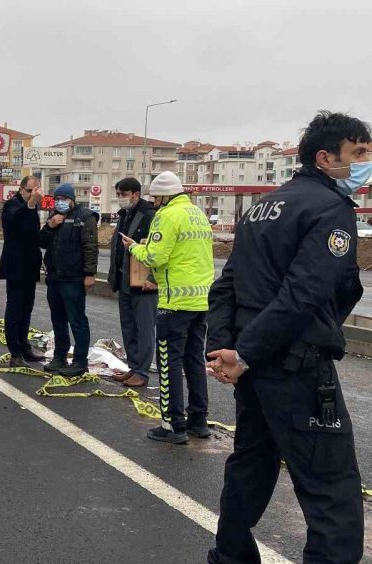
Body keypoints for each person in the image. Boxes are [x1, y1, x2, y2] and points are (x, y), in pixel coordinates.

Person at [204, 112, 369, 564]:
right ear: (325, 158)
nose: (365, 163)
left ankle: (229, 556)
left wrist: (225, 352)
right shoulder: (331, 209)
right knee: (332, 489)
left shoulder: (263, 207)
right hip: (296, 369)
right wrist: (242, 355)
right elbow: (303, 295)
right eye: (358, 153)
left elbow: (226, 287)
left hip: (254, 370)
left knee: (250, 467)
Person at [122, 171, 214, 444]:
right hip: (200, 300)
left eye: (156, 197)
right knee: (194, 360)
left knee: (169, 362)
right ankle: (198, 420)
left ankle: (173, 424)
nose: (155, 202)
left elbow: (155, 256)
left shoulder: (167, 215)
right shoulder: (197, 214)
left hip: (174, 302)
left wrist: (134, 248)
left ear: (164, 195)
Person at [37, 183, 98, 377]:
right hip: (55, 277)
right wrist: (50, 226)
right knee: (58, 320)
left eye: (63, 199)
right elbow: (41, 242)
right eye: (57, 199)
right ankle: (60, 356)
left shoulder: (85, 217)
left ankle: (80, 361)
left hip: (74, 278)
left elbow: (90, 247)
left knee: (77, 320)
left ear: (72, 200)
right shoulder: (54, 217)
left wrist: (90, 273)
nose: (60, 202)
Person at [108, 178, 158, 387]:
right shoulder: (124, 215)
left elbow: (157, 251)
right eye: (118, 194)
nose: (120, 198)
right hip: (125, 280)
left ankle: (142, 371)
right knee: (128, 327)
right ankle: (134, 366)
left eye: (124, 194)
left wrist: (153, 279)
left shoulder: (150, 216)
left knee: (143, 329)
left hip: (143, 283)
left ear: (136, 194)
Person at [0, 174, 45, 367]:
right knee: (15, 309)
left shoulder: (33, 208)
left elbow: (32, 235)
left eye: (36, 191)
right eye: (29, 191)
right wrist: (31, 203)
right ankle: (15, 352)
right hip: (15, 266)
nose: (33, 194)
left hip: (30, 266)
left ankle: (24, 346)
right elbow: (13, 222)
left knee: (27, 309)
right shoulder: (12, 205)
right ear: (21, 189)